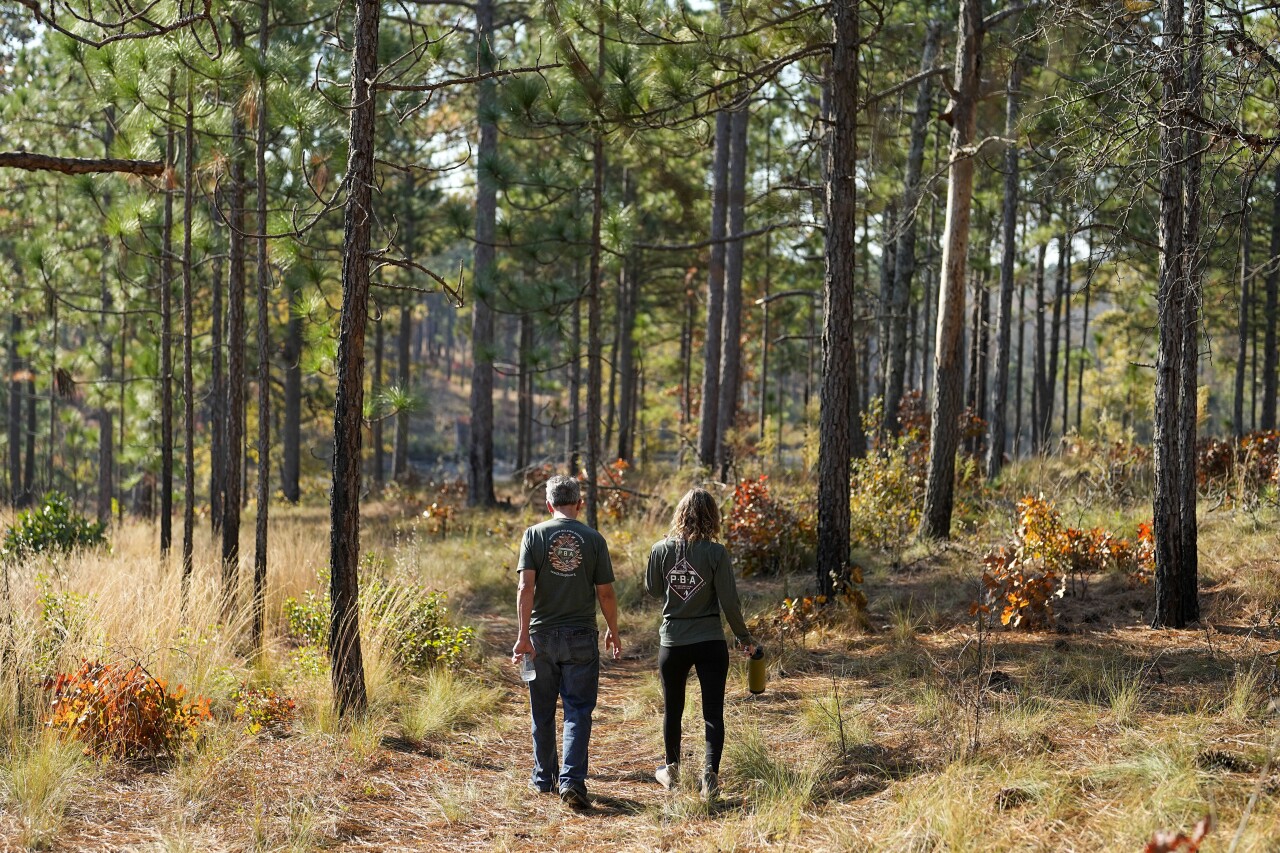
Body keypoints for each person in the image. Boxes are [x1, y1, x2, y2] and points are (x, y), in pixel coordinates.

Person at [512, 475, 622, 809]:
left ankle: (544, 778)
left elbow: (525, 588)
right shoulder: (594, 539)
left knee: (542, 710)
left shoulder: (533, 535)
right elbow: (605, 592)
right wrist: (613, 629)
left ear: (549, 505)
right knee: (577, 710)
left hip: (541, 636)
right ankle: (572, 781)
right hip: (581, 636)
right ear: (579, 503)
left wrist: (522, 636)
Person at [645, 487, 756, 800]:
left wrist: (664, 565)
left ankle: (671, 770)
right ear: (712, 517)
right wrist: (744, 638)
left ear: (680, 514)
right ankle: (710, 776)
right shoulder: (716, 553)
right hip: (710, 641)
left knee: (673, 710)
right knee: (713, 712)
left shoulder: (660, 549)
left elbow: (653, 589)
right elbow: (730, 602)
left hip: (673, 642)